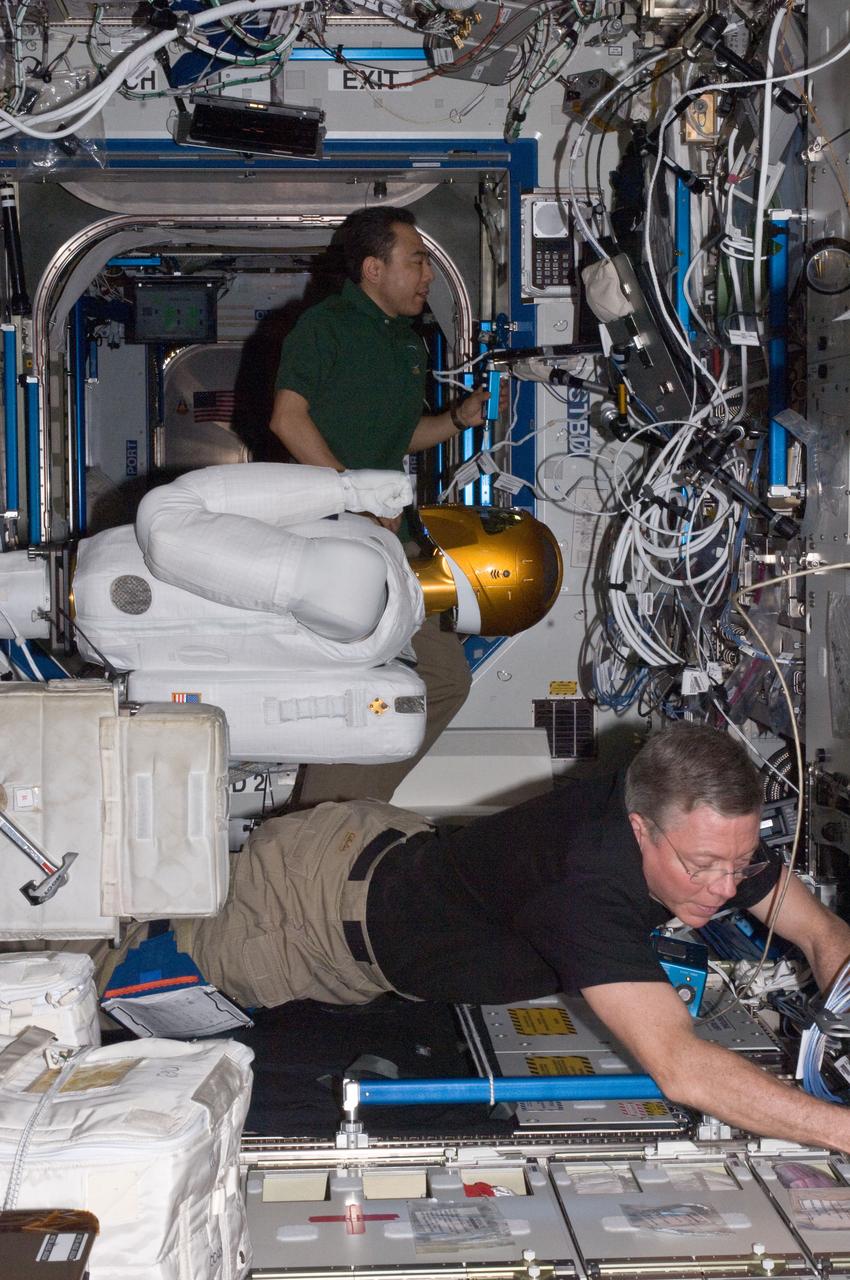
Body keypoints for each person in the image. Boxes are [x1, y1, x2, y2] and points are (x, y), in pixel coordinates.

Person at [178, 723, 850, 1154]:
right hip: (304, 914)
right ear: (641, 828)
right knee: (138, 955)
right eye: (702, 868)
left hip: (379, 844)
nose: (724, 887)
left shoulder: (690, 818)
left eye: (738, 864)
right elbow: (680, 1066)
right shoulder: (584, 886)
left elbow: (823, 935)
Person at [268, 205, 488, 804]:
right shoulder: (324, 327)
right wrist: (352, 496)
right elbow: (287, 419)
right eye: (416, 260)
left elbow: (397, 435)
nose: (428, 275)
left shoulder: (405, 341)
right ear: (372, 267)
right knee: (353, 681)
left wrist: (454, 420)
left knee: (445, 680)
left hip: (387, 532)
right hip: (333, 532)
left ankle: (347, 803)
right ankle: (322, 816)